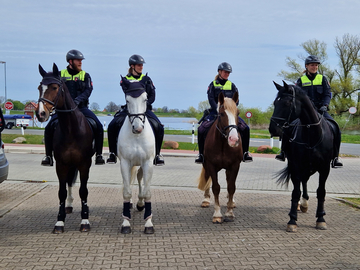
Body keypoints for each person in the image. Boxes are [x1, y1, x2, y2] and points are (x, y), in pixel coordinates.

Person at [275, 55, 343, 168]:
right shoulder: (301, 80)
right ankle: (283, 152)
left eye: (316, 65)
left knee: (335, 127)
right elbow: (296, 96)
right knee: (288, 127)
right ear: (306, 66)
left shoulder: (323, 79)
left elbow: (327, 94)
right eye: (312, 65)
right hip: (305, 111)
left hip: (321, 109)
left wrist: (325, 105)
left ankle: (335, 157)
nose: (314, 67)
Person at [41, 49, 105, 166]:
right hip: (63, 110)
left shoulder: (85, 75)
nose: (80, 63)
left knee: (98, 126)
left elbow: (88, 90)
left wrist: (77, 101)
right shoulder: (60, 75)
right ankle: (48, 156)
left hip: (81, 108)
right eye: (78, 60)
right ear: (70, 61)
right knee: (49, 127)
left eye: (81, 60)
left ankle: (99, 155)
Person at [106, 54, 165, 166]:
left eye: (142, 65)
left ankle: (157, 154)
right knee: (112, 125)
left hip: (144, 109)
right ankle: (112, 153)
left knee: (159, 127)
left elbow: (152, 95)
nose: (141, 67)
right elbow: (128, 93)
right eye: (139, 65)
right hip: (130, 109)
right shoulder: (125, 80)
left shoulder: (147, 79)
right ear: (132, 66)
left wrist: (145, 104)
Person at [195, 62, 253, 164]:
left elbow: (236, 100)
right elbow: (211, 98)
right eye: (225, 72)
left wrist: (231, 106)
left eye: (228, 73)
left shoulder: (232, 85)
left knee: (245, 128)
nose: (227, 74)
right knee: (201, 129)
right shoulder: (212, 85)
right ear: (220, 72)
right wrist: (218, 109)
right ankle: (201, 154)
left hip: (230, 113)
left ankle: (245, 153)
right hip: (215, 112)